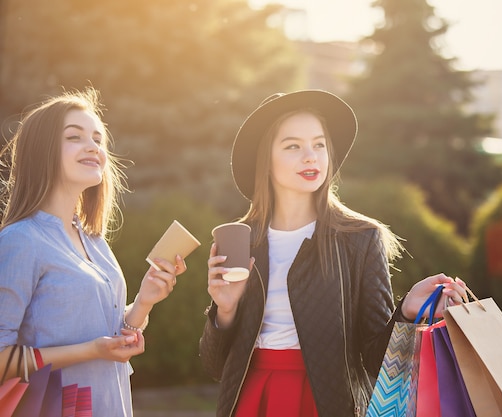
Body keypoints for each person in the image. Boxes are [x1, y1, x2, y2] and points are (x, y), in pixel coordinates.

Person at [199, 90, 469, 417]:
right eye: (293, 146)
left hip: (327, 403)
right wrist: (224, 311)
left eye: (319, 144)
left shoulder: (359, 239)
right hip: (252, 400)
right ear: (265, 160)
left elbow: (374, 360)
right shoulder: (241, 239)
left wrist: (407, 312)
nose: (310, 156)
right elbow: (215, 366)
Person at [0, 88, 186, 416]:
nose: (93, 147)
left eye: (98, 139)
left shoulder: (94, 241)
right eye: (75, 137)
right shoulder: (21, 240)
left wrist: (144, 302)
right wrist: (92, 350)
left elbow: (108, 334)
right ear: (41, 151)